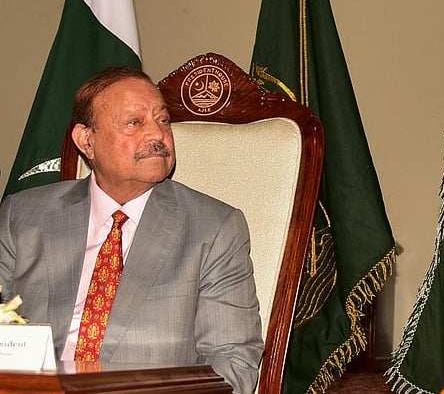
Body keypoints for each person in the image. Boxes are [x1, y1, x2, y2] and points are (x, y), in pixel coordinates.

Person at [0, 67, 263, 393]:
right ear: (86, 140)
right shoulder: (23, 215)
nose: (157, 135)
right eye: (135, 123)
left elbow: (232, 363)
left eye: (163, 120)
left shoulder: (213, 228)